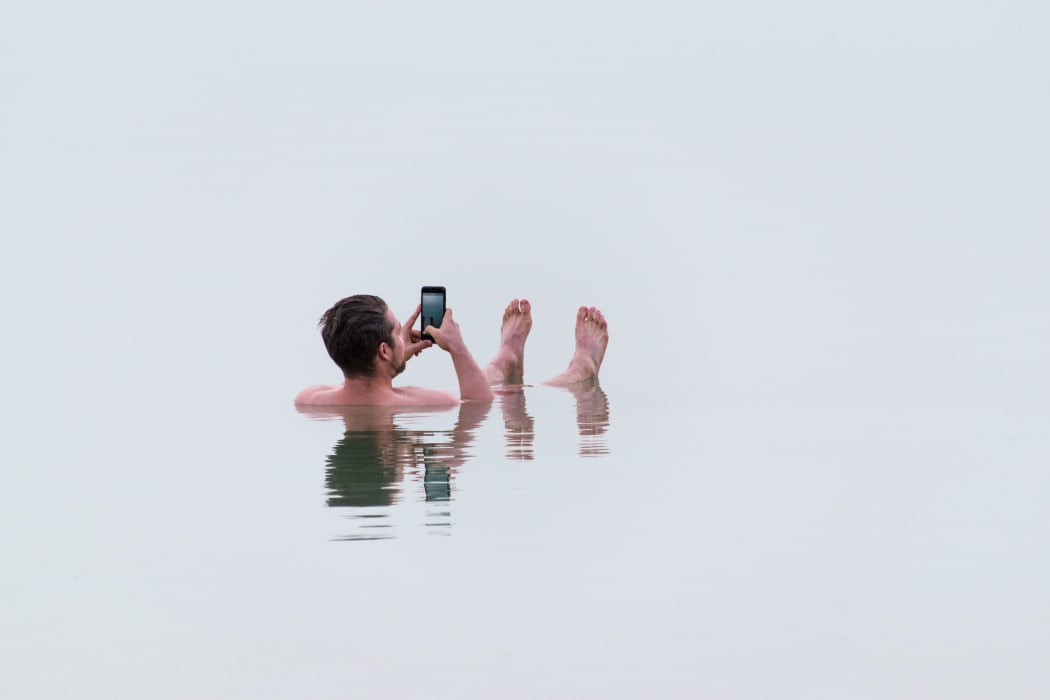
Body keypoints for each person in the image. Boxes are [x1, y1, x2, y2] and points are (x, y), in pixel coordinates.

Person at [294, 294, 609, 407]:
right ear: (383, 351)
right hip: (400, 388)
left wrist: (395, 353)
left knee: (487, 382)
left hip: (378, 372)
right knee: (508, 393)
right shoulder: (428, 403)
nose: (403, 331)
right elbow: (478, 402)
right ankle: (580, 370)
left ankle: (503, 362)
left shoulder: (310, 399)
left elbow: (363, 381)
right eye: (396, 331)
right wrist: (456, 347)